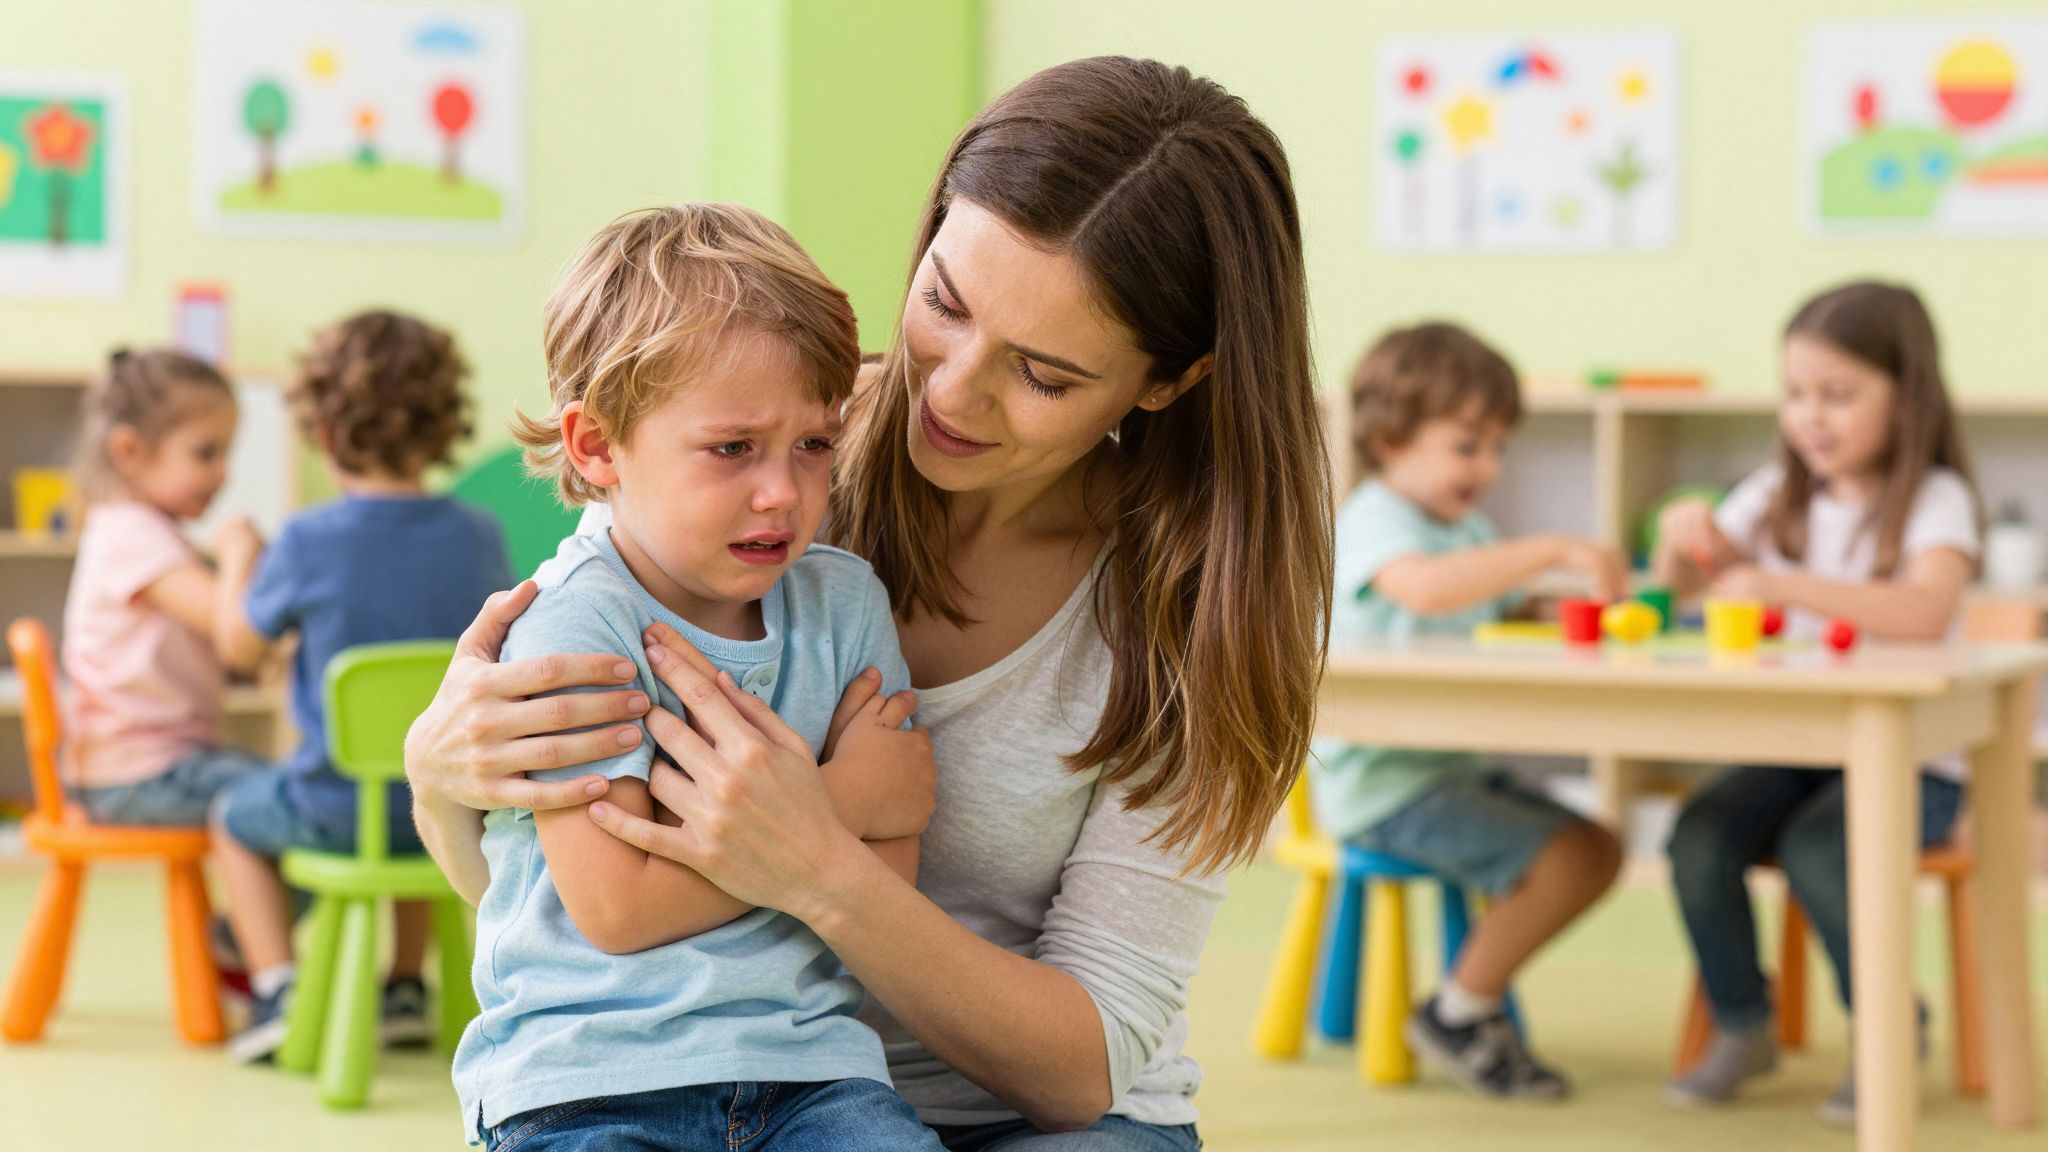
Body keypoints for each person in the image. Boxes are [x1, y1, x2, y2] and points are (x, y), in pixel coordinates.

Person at [405, 56, 1332, 1150]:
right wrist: (440, 781)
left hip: (1011, 1113)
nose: (949, 390)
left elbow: (1083, 1071)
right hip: (686, 1079)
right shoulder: (758, 452)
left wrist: (815, 864)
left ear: (1166, 381)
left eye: (1042, 375)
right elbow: (555, 913)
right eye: (943, 302)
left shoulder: (1188, 607)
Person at [447, 202, 942, 1150]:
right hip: (587, 1080)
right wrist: (836, 804)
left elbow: (890, 883)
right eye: (732, 449)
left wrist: (831, 835)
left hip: (814, 1077)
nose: (783, 492)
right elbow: (620, 908)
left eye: (814, 443)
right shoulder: (575, 623)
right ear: (595, 447)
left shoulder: (848, 607)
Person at [1655, 281, 1981, 1126]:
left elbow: (1923, 612)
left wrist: (1781, 581)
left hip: (1919, 763)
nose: (1812, 417)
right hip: (1799, 749)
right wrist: (1681, 533)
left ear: (1908, 400)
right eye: (1797, 394)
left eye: (1839, 395)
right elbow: (1687, 585)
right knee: (1698, 833)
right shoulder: (1775, 492)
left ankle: (1887, 1030)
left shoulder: (1936, 499)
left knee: (1821, 851)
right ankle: (1742, 1021)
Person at [1310, 322, 1625, 1099]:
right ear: (1388, 437)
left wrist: (1574, 609)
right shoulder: (1376, 521)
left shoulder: (1467, 531)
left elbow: (1501, 608)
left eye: (1497, 448)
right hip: (1382, 787)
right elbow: (1426, 590)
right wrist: (1552, 548)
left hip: (1447, 771)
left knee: (1598, 847)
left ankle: (1463, 1003)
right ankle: (1460, 1012)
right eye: (1466, 445)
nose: (1487, 466)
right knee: (1570, 857)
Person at [210, 311, 511, 1062]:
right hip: (455, 808)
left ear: (328, 433)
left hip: (330, 807)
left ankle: (277, 986)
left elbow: (239, 650)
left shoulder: (308, 539)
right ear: (444, 426)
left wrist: (237, 562)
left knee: (230, 817)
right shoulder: (479, 535)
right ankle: (405, 985)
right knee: (416, 783)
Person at [59, 348, 266, 828]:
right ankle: (238, 912)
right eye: (205, 452)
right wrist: (238, 553)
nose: (223, 472)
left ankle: (231, 911)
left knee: (282, 797)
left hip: (149, 767)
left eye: (226, 453)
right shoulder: (132, 535)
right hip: (137, 775)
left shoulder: (139, 532)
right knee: (290, 805)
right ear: (129, 452)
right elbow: (226, 622)